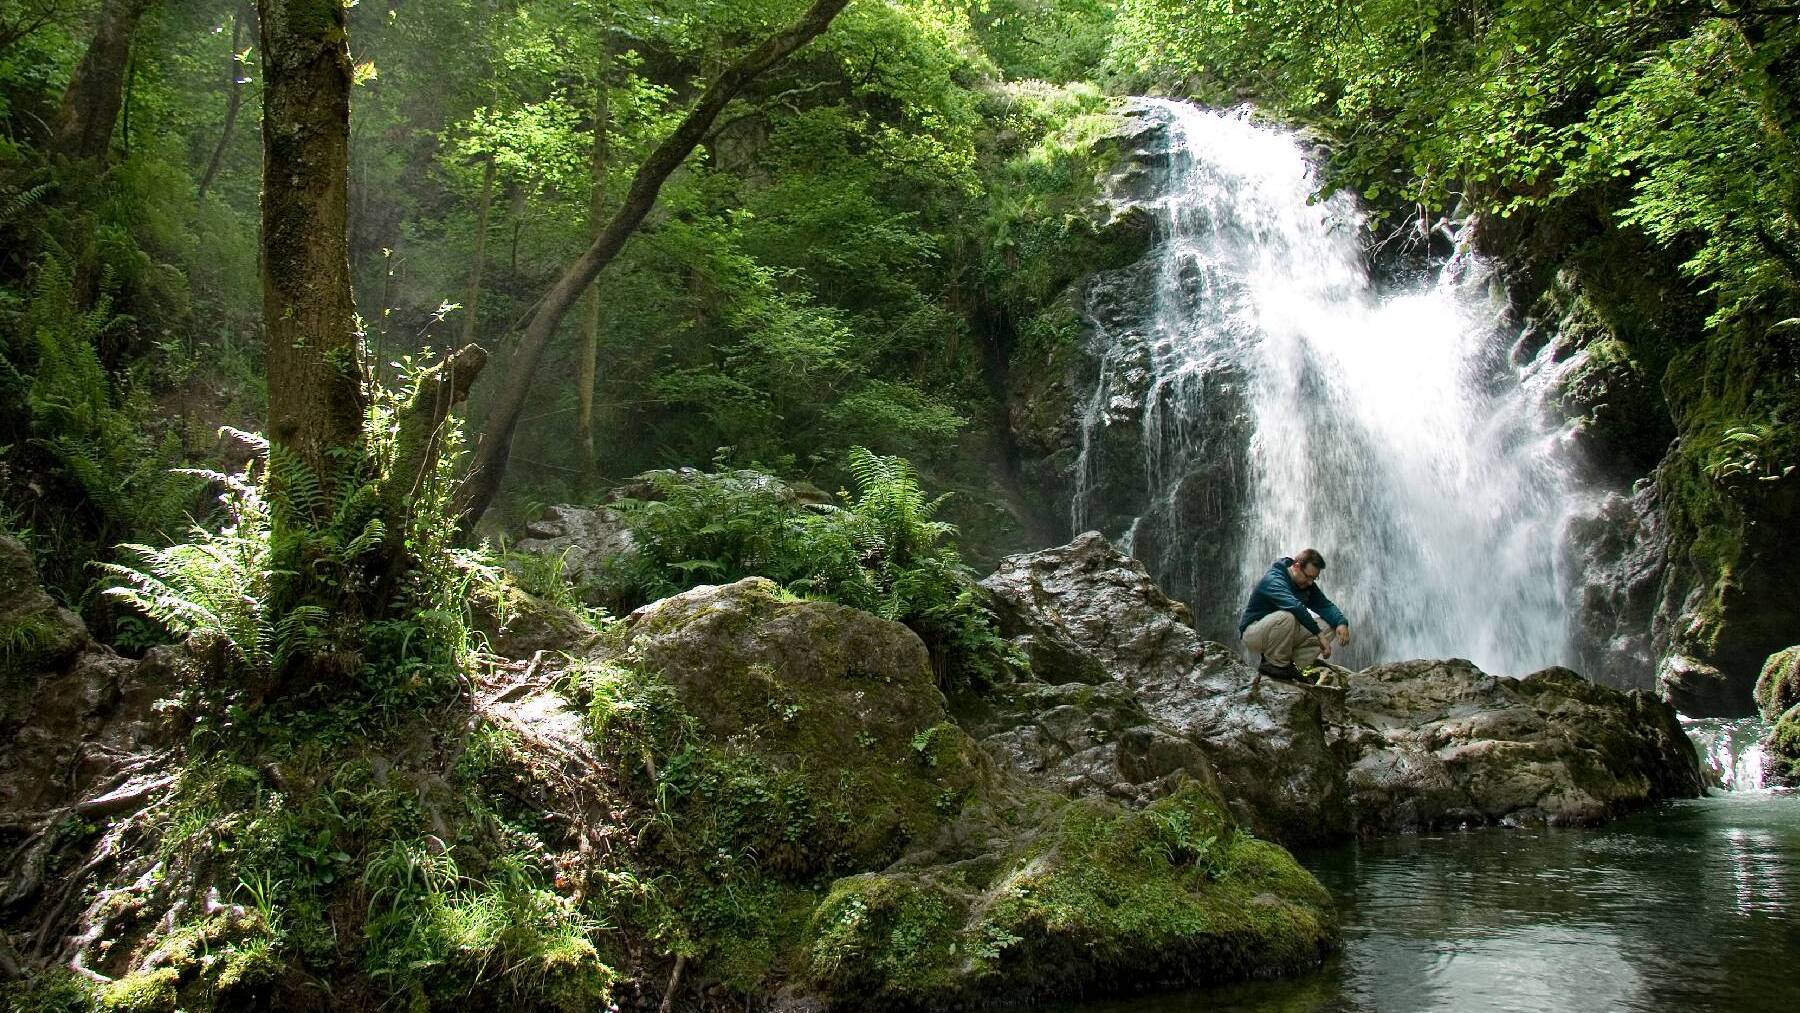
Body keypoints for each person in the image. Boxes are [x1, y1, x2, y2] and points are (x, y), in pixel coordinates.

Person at [1238, 548, 1351, 681]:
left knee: (1331, 625)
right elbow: (1294, 606)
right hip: (1253, 633)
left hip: (1282, 631)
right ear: (1296, 566)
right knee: (1288, 616)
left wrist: (1341, 622)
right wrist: (1319, 635)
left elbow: (1324, 605)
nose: (1310, 582)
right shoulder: (1274, 579)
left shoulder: (1306, 584)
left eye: (1314, 578)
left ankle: (1291, 666)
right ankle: (1274, 665)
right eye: (1308, 577)